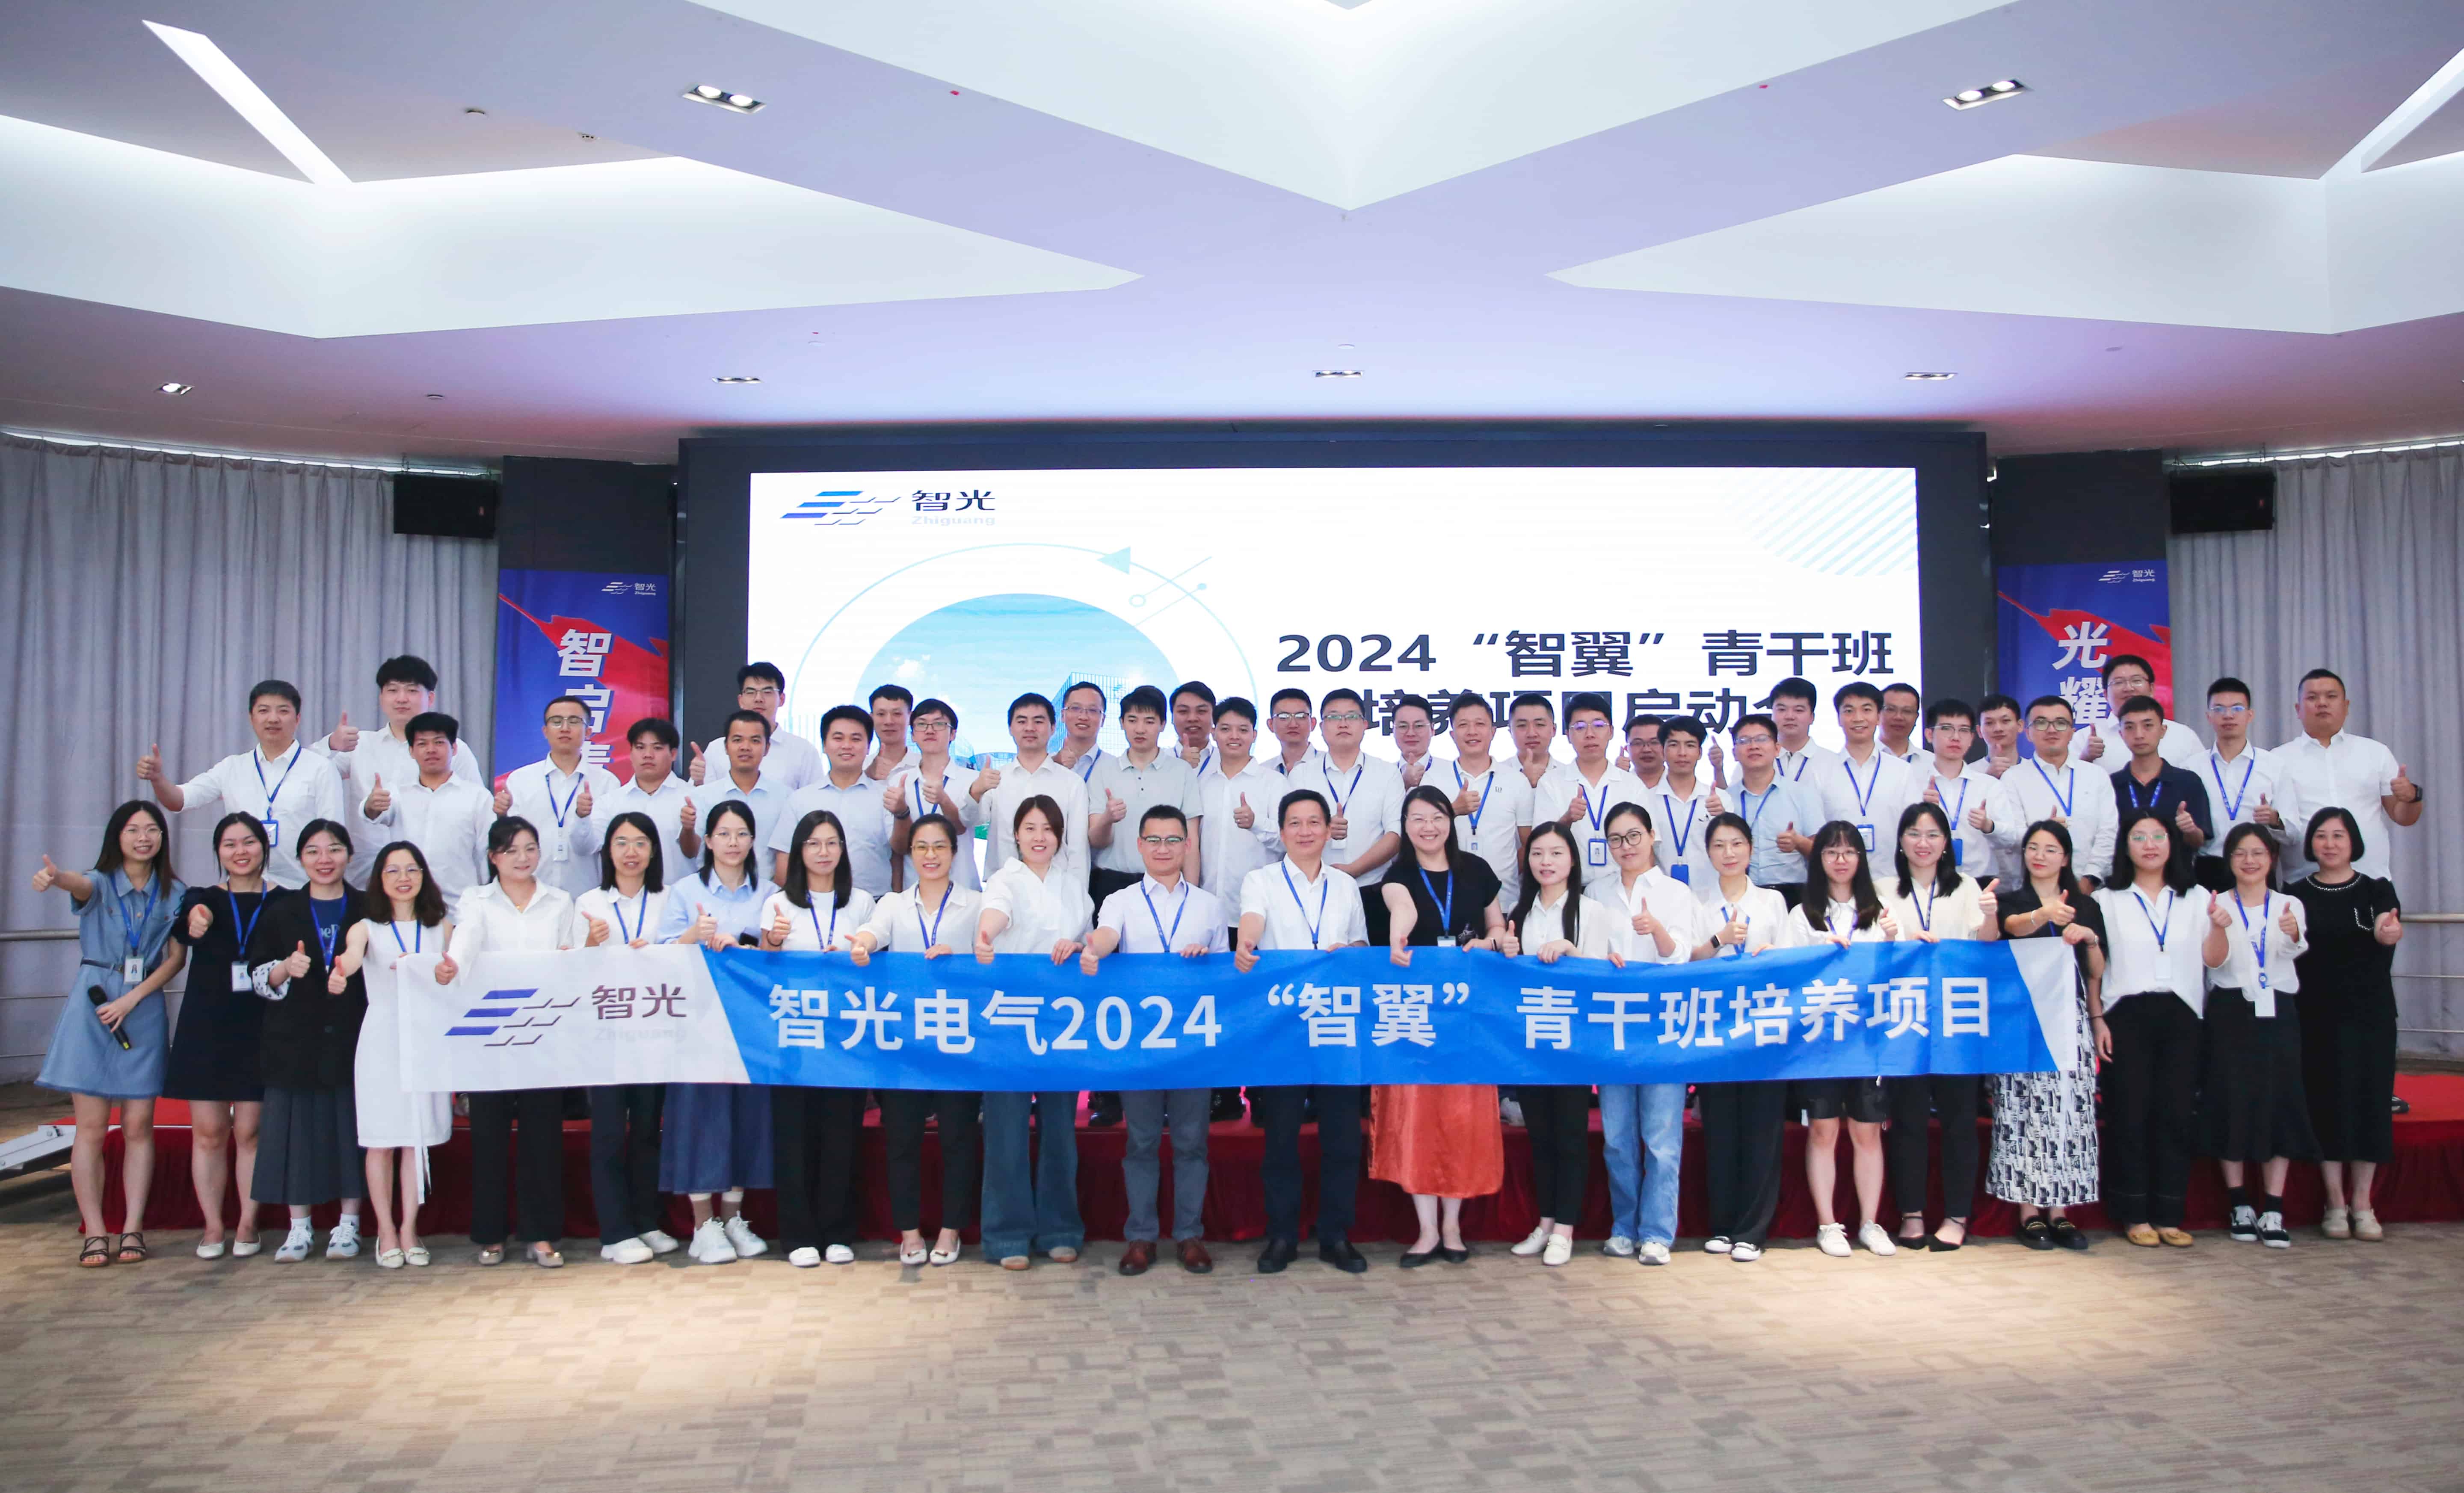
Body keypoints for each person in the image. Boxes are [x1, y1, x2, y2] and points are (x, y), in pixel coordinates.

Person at [31, 801, 185, 1267]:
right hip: (94, 1005)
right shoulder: (99, 882)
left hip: (142, 1007)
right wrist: (57, 878)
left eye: (152, 829)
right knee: (92, 1128)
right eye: (133, 829)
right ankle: (96, 1230)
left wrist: (132, 999)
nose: (144, 837)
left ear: (162, 838)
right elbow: (78, 884)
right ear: (117, 836)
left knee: (139, 1126)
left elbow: (176, 959)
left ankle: (133, 1227)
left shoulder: (175, 892)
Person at [1082, 805, 1229, 1275]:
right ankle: (1141, 1237)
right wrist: (1092, 948)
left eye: (1172, 840)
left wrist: (1206, 961)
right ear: (1140, 845)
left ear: (1188, 845)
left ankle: (1189, 1234)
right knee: (1141, 1142)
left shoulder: (1209, 905)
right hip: (1139, 1043)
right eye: (1154, 840)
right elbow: (1107, 936)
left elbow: (1226, 977)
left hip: (1193, 1043)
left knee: (1191, 1143)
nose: (1163, 849)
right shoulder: (1120, 900)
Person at [1373, 786, 1512, 1267]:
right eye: (1416, 819)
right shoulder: (1398, 875)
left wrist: (1492, 943)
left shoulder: (1477, 870)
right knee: (1418, 1119)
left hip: (1469, 1013)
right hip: (1415, 1015)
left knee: (1461, 1118)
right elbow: (1403, 908)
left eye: (1436, 817)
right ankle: (1426, 1229)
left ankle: (1452, 1226)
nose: (1427, 827)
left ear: (1450, 821)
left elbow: (1498, 927)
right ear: (1405, 826)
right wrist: (1399, 933)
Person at [1235, 789, 1371, 1273]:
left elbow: (1361, 942)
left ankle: (1336, 1235)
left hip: (1336, 1023)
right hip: (1283, 1027)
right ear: (1282, 831)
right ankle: (1282, 1236)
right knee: (1280, 1137)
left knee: (1343, 1138)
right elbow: (1252, 921)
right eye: (1295, 822)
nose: (1306, 830)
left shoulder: (1346, 885)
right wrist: (1246, 943)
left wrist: (1350, 951)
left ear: (1329, 829)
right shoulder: (1261, 880)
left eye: (1315, 821)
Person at [848, 813, 982, 1266]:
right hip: (904, 1043)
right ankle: (909, 1232)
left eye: (940, 846)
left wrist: (961, 957)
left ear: (954, 852)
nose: (930, 855)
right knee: (902, 1139)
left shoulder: (976, 904)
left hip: (957, 1041)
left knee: (958, 1139)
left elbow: (992, 958)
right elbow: (872, 933)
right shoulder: (893, 903)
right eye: (922, 846)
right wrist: (862, 945)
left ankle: (951, 1228)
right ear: (910, 853)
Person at [445, 816, 578, 1267]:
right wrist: (452, 965)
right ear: (493, 857)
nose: (523, 858)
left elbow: (571, 953)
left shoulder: (559, 901)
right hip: (491, 1034)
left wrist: (575, 953)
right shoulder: (476, 899)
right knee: (489, 1136)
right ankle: (491, 1233)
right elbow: (467, 939)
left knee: (543, 1137)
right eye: (512, 850)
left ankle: (541, 1234)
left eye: (530, 848)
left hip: (543, 1032)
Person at [2093, 813, 2230, 1247]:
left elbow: (2213, 960)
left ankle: (2169, 1213)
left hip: (2183, 1014)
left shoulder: (2197, 897)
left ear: (2173, 843)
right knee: (2129, 1114)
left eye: (2158, 836)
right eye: (2139, 837)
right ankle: (2134, 1213)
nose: (2150, 844)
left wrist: (2220, 927)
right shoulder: (2106, 899)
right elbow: (2093, 971)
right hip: (2126, 1013)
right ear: (2125, 845)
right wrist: (2098, 1019)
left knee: (2175, 1115)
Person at [974, 796, 1094, 1270]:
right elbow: (996, 915)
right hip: (1010, 1016)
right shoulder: (1004, 879)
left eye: (1048, 828)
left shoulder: (1074, 886)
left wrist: (1080, 947)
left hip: (1062, 1020)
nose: (1039, 836)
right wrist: (985, 936)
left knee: (1060, 1128)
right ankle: (1007, 1235)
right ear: (1016, 835)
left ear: (1060, 836)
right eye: (1030, 827)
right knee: (1006, 1130)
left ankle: (1060, 1229)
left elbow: (1088, 938)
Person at [1877, 801, 2000, 1251]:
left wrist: (1990, 914)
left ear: (1946, 842)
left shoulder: (1967, 886)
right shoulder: (1883, 888)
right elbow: (1873, 948)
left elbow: (1987, 944)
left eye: (1932, 834)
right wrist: (1898, 938)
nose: (1923, 843)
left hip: (1956, 1017)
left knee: (1960, 1120)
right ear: (1901, 841)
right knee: (1908, 1120)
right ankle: (1911, 1213)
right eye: (1914, 833)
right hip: (1905, 1017)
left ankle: (1956, 1215)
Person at [656, 799, 776, 1264]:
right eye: (723, 834)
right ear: (707, 841)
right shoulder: (685, 891)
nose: (733, 842)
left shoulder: (770, 892)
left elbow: (777, 955)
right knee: (699, 1116)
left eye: (741, 833)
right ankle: (702, 1224)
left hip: (750, 1023)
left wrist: (754, 944)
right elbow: (662, 953)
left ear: (753, 840)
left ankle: (733, 1218)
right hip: (697, 1019)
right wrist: (695, 934)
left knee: (747, 1117)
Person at [1588, 801, 1706, 1263]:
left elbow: (1681, 956)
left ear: (1652, 835)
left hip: (1663, 1027)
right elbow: (1587, 952)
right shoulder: (1596, 891)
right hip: (1613, 1028)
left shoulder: (1676, 892)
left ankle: (1657, 1232)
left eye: (1633, 835)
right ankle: (1624, 1226)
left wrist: (1656, 930)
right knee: (1617, 1138)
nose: (1626, 846)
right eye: (1616, 839)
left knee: (1661, 1139)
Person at [243, 819, 364, 1264]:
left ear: (349, 854)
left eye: (334, 849)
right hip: (294, 1039)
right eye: (313, 851)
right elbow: (257, 974)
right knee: (295, 1134)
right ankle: (299, 1227)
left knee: (351, 1131)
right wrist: (284, 968)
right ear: (299, 859)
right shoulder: (281, 909)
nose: (324, 859)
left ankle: (349, 1224)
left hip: (354, 1036)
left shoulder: (367, 906)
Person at [758, 810, 876, 1268]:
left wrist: (855, 957)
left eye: (831, 843)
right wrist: (773, 942)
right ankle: (798, 1234)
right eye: (813, 843)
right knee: (794, 1136)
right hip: (794, 1036)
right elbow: (763, 969)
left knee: (841, 1134)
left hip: (846, 1037)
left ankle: (838, 1231)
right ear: (798, 851)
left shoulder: (861, 902)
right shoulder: (778, 904)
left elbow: (876, 964)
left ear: (843, 849)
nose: (823, 852)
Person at [327, 840, 453, 1268]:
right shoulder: (366, 927)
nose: (404, 878)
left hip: (427, 1037)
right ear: (379, 879)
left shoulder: (442, 927)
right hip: (382, 1038)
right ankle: (385, 1230)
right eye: (393, 870)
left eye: (412, 869)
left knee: (416, 1138)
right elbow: (350, 958)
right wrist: (340, 972)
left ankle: (409, 1228)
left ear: (424, 875)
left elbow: (458, 974)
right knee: (381, 1140)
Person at [1505, 822, 1626, 1267]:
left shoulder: (1591, 911)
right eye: (1538, 853)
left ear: (1573, 860)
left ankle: (1566, 1228)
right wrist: (1506, 952)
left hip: (1574, 1043)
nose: (1546, 861)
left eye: (1556, 853)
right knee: (1541, 1137)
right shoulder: (1520, 910)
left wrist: (1572, 950)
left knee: (1571, 1137)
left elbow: (1601, 976)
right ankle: (1546, 1221)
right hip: (1531, 1042)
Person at [1986, 821, 2109, 1252]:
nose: (2040, 855)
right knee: (2023, 1112)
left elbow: (2097, 971)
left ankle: (2060, 1210)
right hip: (2022, 1018)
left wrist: (2089, 939)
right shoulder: (2012, 900)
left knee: (2068, 1113)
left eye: (2051, 849)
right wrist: (2044, 915)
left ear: (2066, 857)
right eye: (2033, 847)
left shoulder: (2086, 905)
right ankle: (2028, 1212)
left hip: (2070, 1019)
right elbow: (2011, 927)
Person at [166, 813, 280, 1258]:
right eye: (229, 843)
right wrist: (196, 918)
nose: (240, 851)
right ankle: (213, 1224)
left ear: (264, 847)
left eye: (249, 842)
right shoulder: (203, 898)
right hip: (208, 1025)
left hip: (262, 1026)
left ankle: (248, 1222)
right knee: (210, 1131)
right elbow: (190, 921)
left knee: (250, 1131)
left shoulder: (284, 900)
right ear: (218, 851)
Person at [2288, 806, 2405, 1241]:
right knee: (2326, 1104)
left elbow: (2387, 926)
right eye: (2322, 835)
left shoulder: (2377, 888)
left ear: (2354, 841)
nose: (2330, 843)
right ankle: (2335, 1202)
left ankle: (2363, 1203)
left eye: (2339, 835)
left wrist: (2387, 932)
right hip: (2315, 1016)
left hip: (2370, 1015)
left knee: (2369, 1104)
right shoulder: (2294, 893)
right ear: (2311, 843)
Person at [2199, 824, 2316, 1249]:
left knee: (2279, 1100)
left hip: (2278, 1010)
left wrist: (2292, 931)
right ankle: (2239, 1204)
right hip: (2230, 1011)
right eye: (2240, 853)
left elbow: (2293, 951)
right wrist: (2217, 927)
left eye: (2258, 853)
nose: (2249, 861)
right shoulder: (2215, 903)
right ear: (2229, 860)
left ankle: (2274, 1207)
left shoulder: (2289, 903)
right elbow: (2213, 962)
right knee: (2230, 1098)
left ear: (2272, 858)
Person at [1787, 822, 1898, 1258]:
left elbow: (1899, 976)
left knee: (1867, 1132)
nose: (1841, 859)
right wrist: (1819, 952)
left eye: (1850, 851)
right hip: (1819, 1040)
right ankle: (1828, 1223)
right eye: (1831, 852)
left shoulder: (1882, 911)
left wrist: (1894, 942)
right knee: (1823, 1129)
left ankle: (1870, 1222)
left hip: (1868, 1040)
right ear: (1818, 860)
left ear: (1861, 859)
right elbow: (1787, 975)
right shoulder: (1802, 915)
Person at [572, 810, 677, 1264]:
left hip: (656, 1030)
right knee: (610, 1132)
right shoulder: (588, 903)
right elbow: (568, 971)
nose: (631, 852)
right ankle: (615, 1232)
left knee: (649, 1131)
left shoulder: (670, 899)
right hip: (606, 1033)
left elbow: (683, 958)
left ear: (653, 851)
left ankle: (647, 1221)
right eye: (621, 842)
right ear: (607, 851)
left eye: (640, 843)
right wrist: (589, 944)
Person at [1692, 812, 1792, 1262]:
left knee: (1761, 1130)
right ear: (1708, 852)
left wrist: (1771, 956)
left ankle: (1752, 1230)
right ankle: (1722, 1224)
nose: (1729, 853)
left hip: (1764, 1031)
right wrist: (1718, 939)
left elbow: (1792, 962)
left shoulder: (1772, 901)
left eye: (1737, 844)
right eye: (1719, 845)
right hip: (1714, 1029)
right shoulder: (1698, 901)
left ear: (1751, 849)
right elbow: (1686, 960)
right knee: (1720, 1129)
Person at [139, 678, 345, 887]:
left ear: (298, 718)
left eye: (283, 711)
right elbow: (180, 800)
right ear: (251, 718)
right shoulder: (232, 768)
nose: (273, 719)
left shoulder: (321, 768)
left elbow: (334, 835)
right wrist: (158, 779)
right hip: (244, 889)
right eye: (264, 711)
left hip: (301, 890)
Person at [309, 655, 483, 879]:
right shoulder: (360, 744)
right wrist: (331, 744)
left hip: (432, 874)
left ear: (430, 698)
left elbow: (477, 810)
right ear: (382, 698)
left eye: (412, 691)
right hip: (365, 873)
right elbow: (306, 771)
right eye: (393, 690)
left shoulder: (451, 749)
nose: (402, 699)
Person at [2269, 668, 2422, 882]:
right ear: (2298, 709)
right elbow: (2271, 830)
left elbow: (2404, 817)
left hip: (2371, 881)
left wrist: (2412, 797)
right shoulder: (2277, 760)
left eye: (2331, 697)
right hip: (2303, 884)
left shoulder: (2375, 752)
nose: (2322, 703)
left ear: (2346, 706)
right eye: (2312, 698)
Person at [1086, 684, 1202, 922]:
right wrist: (1108, 819)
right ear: (1121, 723)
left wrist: (1191, 895)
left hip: (1166, 883)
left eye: (1149, 721)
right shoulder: (1103, 771)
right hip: (1111, 883)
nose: (1140, 729)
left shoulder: (1181, 771)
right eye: (1132, 720)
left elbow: (1191, 841)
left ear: (1163, 725)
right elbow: (1096, 841)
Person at [354, 711, 495, 900]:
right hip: (410, 903)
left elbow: (486, 852)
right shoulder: (398, 793)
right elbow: (372, 814)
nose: (431, 750)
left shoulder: (478, 797)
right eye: (422, 744)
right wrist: (372, 806)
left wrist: (486, 897)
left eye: (439, 742)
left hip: (461, 904)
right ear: (411, 751)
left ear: (454, 749)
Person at [498, 694, 624, 897]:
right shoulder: (520, 779)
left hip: (586, 895)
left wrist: (582, 818)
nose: (565, 728)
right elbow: (510, 843)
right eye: (556, 722)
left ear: (589, 732)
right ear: (545, 731)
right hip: (531, 894)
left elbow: (598, 847)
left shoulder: (607, 783)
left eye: (574, 721)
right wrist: (502, 816)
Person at [1987, 696, 2119, 890]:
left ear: (2072, 732)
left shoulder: (2096, 775)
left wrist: (2090, 880)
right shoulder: (2012, 778)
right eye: (2041, 723)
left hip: (2091, 890)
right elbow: (2012, 836)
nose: (2051, 730)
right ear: (2028, 733)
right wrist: (2043, 832)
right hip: (2034, 890)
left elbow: (2108, 833)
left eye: (2061, 723)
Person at [1293, 687, 1405, 894]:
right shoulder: (1301, 775)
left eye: (1352, 717)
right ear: (1321, 727)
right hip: (1314, 887)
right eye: (1334, 717)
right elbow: (1289, 831)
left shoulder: (1387, 773)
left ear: (1365, 725)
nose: (1343, 723)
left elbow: (1395, 835)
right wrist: (1323, 829)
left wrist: (1354, 870)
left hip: (1373, 887)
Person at [971, 692, 1093, 883]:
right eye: (1022, 721)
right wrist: (977, 791)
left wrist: (1077, 896)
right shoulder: (996, 780)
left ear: (1053, 728)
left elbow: (1078, 851)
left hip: (1055, 888)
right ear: (1010, 728)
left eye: (1038, 721)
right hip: (1004, 888)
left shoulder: (1073, 783)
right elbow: (972, 821)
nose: (1030, 728)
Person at [778, 704, 897, 896]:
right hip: (813, 904)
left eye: (856, 739)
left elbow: (898, 856)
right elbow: (785, 860)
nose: (847, 746)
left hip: (876, 903)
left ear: (868, 747)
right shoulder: (800, 799)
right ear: (825, 745)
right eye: (838, 738)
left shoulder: (886, 797)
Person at [1436, 693, 1534, 908]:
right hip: (1446, 899)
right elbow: (1419, 835)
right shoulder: (1434, 778)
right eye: (1463, 725)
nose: (1472, 732)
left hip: (1505, 899)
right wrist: (1452, 811)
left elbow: (1528, 844)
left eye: (1480, 724)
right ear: (1452, 734)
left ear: (1493, 731)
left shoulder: (1517, 781)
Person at [1536, 694, 1650, 878]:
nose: (1590, 734)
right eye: (1580, 727)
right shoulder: (1551, 783)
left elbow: (1647, 847)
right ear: (1568, 735)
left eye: (1598, 725)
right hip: (1569, 885)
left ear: (1611, 732)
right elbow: (1541, 844)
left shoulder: (1632, 785)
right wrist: (1567, 820)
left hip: (1622, 885)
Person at [2108, 695, 2214, 881]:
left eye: (2148, 726)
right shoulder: (2110, 785)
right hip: (2123, 884)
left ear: (2163, 730)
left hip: (2178, 884)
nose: (2139, 735)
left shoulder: (2188, 781)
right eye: (2130, 727)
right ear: (2121, 734)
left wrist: (2190, 829)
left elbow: (2198, 842)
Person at [886, 697, 983, 893]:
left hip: (964, 890)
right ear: (913, 735)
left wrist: (943, 800)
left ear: (953, 734)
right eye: (922, 724)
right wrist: (902, 813)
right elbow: (900, 848)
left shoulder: (973, 780)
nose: (930, 730)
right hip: (915, 893)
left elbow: (961, 828)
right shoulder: (898, 781)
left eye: (939, 724)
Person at [1813, 682, 1916, 864]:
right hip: (1838, 873)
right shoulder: (1820, 771)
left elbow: (1912, 827)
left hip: (1890, 874)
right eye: (1849, 711)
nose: (1858, 718)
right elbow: (1815, 832)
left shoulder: (1902, 771)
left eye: (1867, 710)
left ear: (1879, 717)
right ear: (1839, 719)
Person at [2193, 677, 2279, 893]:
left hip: (2257, 866)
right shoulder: (2191, 768)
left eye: (2237, 708)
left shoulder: (2274, 765)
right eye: (2219, 709)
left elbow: (2294, 832)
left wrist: (2275, 820)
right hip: (2208, 868)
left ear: (2250, 715)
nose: (2228, 716)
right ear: (2208, 716)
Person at [1723, 714, 1820, 899]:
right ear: (1734, 753)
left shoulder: (1803, 794)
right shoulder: (1726, 799)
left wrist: (1798, 843)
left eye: (1762, 739)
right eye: (1744, 741)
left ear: (1777, 749)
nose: (1754, 746)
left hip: (1793, 894)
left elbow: (1821, 854)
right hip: (1740, 893)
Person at [691, 662, 820, 793]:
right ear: (741, 700)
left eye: (767, 692)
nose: (759, 699)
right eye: (751, 692)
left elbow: (814, 799)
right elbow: (699, 798)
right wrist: (698, 781)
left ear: (782, 699)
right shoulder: (717, 749)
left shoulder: (803, 751)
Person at [604, 716, 699, 882]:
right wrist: (581, 817)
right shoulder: (610, 802)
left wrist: (688, 829)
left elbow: (697, 853)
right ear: (631, 754)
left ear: (673, 754)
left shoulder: (693, 798)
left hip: (678, 895)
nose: (648, 755)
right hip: (626, 895)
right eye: (640, 748)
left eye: (657, 748)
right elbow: (587, 848)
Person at [1917, 699, 2000, 883]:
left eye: (1963, 730)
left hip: (1979, 881)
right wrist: (1920, 811)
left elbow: (2011, 839)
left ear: (1972, 738)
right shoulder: (1914, 783)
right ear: (1929, 735)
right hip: (1928, 879)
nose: (1956, 737)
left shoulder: (1989, 785)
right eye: (1947, 729)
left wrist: (1988, 826)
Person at [2080, 654, 2203, 774]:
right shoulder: (2084, 739)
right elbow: (2070, 782)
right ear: (2106, 694)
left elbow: (2201, 779)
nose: (2129, 688)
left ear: (2151, 689)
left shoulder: (2183, 735)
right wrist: (2085, 758)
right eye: (2118, 683)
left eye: (2137, 681)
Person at [701, 709, 791, 860]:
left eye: (755, 741)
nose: (745, 747)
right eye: (738, 740)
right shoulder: (703, 797)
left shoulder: (786, 798)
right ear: (726, 747)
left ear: (767, 748)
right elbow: (695, 854)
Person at [1650, 716, 1720, 887]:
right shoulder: (1646, 799)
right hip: (1662, 893)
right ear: (1662, 751)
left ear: (1700, 753)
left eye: (1690, 745)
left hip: (1711, 893)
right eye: (1674, 745)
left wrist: (1722, 819)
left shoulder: (1720, 800)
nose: (1682, 753)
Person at [1767, 677, 1840, 786]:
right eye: (1782, 710)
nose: (1790, 716)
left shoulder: (1833, 763)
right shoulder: (1755, 760)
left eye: (1799, 710)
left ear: (1812, 717)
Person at [1053, 679, 1109, 782]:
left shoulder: (1115, 767)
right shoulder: (1046, 765)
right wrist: (1054, 764)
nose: (1083, 717)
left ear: (1103, 720)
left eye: (1093, 710)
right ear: (1063, 715)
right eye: (1075, 708)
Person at [1266, 687, 1324, 780]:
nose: (1293, 725)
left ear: (1313, 723)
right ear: (1271, 724)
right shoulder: (1263, 772)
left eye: (1301, 716)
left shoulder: (1330, 766)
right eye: (1284, 717)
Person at [863, 683, 914, 783]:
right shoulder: (860, 767)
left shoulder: (924, 766)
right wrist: (866, 776)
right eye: (881, 714)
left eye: (897, 714)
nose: (889, 722)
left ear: (910, 718)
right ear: (871, 719)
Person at [1508, 692, 1558, 790]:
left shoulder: (1569, 776)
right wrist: (1524, 782)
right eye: (1522, 725)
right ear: (1510, 731)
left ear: (1554, 730)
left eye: (1540, 725)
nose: (1532, 734)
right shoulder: (1496, 775)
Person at [1390, 695, 1441, 785]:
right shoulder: (1383, 774)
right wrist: (1404, 784)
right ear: (1393, 730)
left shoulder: (1451, 771)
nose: (1411, 733)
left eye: (1419, 726)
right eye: (1403, 726)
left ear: (1432, 729)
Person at [1170, 680, 1217, 773]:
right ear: (1172, 718)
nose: (1192, 719)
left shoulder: (1228, 761)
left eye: (1201, 711)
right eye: (1183, 711)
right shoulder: (1157, 761)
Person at [1976, 693, 2026, 778]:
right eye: (1989, 723)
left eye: (2005, 721)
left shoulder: (2036, 772)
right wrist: (1988, 778)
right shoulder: (1968, 773)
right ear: (1979, 731)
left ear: (2020, 726)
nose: (1998, 729)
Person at [1879, 682, 1924, 763]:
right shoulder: (1859, 759)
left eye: (1907, 711)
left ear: (1916, 718)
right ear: (1877, 714)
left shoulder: (1934, 764)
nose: (1899, 717)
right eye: (1891, 710)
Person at [1621, 715, 1665, 792]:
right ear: (1627, 749)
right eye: (1638, 743)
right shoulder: (1616, 787)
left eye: (1654, 743)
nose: (1646, 750)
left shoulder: (1682, 784)